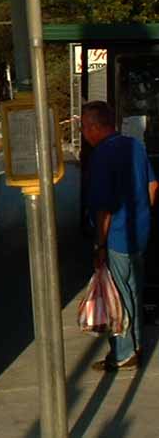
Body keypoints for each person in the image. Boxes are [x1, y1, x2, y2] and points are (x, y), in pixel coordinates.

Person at [81, 100, 158, 371]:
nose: (83, 134)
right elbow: (153, 184)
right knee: (134, 289)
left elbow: (104, 208)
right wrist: (142, 214)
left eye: (83, 127)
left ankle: (124, 353)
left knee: (119, 294)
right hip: (140, 232)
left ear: (93, 127)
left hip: (116, 237)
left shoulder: (101, 156)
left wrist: (99, 245)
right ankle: (136, 344)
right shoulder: (135, 145)